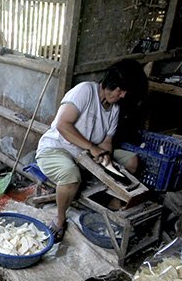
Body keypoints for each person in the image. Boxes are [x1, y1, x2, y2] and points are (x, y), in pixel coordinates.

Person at [35, 60, 147, 241]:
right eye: (120, 89)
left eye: (126, 91)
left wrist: (105, 157)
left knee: (132, 161)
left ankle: (113, 204)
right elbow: (63, 125)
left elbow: (107, 142)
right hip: (58, 148)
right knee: (70, 175)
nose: (123, 95)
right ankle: (60, 218)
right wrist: (92, 148)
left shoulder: (114, 109)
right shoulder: (85, 91)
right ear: (109, 83)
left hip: (86, 155)